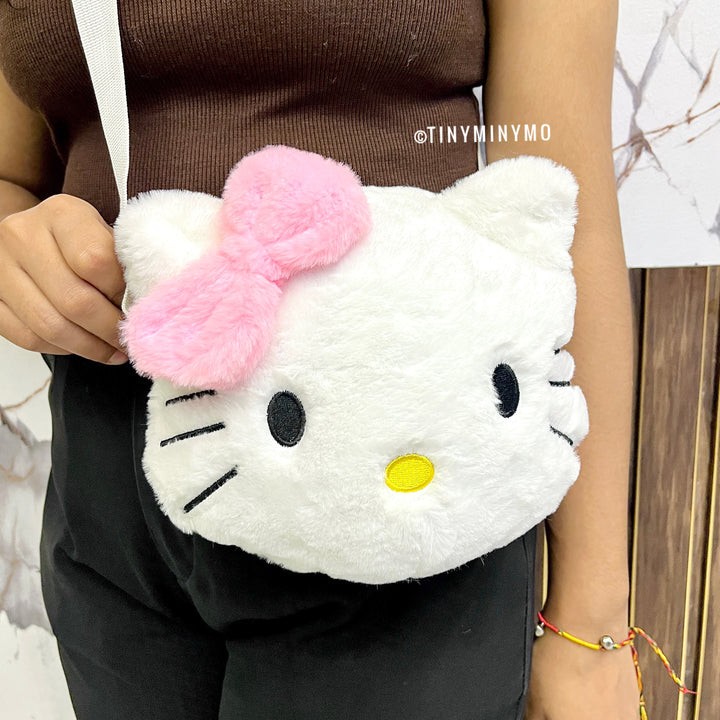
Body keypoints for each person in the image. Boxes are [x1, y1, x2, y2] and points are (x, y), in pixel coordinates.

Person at [0, 1, 637, 718]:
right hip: (112, 482)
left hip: (404, 479)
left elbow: (563, 199)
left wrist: (592, 627)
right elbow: (13, 172)